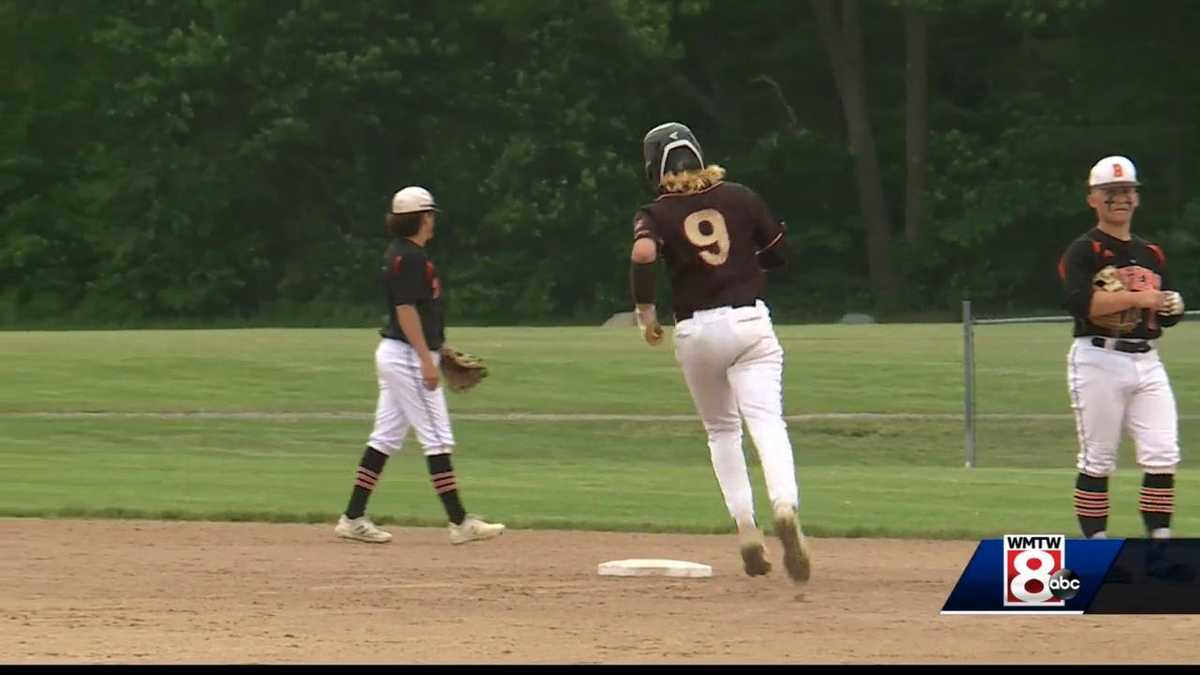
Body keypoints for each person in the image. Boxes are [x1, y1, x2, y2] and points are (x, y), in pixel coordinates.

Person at [627, 122, 811, 584]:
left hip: (698, 330)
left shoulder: (655, 212)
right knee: (767, 421)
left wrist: (646, 312)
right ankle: (785, 507)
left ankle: (747, 527)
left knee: (722, 431)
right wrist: (753, 260)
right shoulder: (741, 196)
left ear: (654, 168)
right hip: (750, 322)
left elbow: (645, 254)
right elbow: (779, 252)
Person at [334, 186, 506, 545]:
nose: (432, 222)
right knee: (437, 438)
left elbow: (418, 312)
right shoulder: (409, 257)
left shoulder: (404, 253)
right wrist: (427, 359)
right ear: (421, 218)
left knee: (385, 438)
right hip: (407, 357)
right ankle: (459, 522)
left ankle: (352, 516)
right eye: (430, 216)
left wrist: (438, 347)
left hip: (403, 352)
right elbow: (406, 310)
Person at [1057, 155, 1186, 541]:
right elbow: (1082, 305)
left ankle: (1159, 544)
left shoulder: (1153, 253)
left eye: (1128, 190)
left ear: (1137, 198)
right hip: (1098, 358)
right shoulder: (1084, 250)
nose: (1121, 198)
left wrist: (1169, 307)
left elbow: (1159, 313)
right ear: (1093, 198)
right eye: (1111, 192)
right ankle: (1097, 546)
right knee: (1098, 458)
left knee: (1163, 453)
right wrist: (1140, 298)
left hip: (1147, 360)